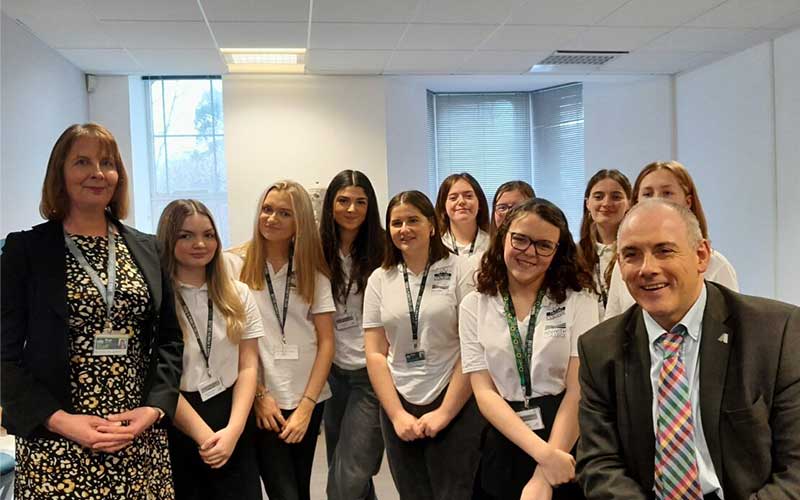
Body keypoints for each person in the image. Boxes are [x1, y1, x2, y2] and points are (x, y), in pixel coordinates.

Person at [1, 123, 183, 499]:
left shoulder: (148, 249)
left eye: (107, 162)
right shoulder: (26, 251)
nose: (97, 173)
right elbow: (3, 357)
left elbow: (169, 342)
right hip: (58, 442)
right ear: (60, 174)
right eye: (82, 161)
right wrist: (60, 421)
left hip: (136, 439)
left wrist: (153, 411)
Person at [576, 199, 800, 499]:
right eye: (631, 255)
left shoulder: (775, 333)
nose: (647, 268)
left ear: (701, 255)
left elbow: (795, 468)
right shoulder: (599, 349)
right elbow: (599, 464)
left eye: (664, 250)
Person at [461, 198, 598, 500]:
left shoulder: (579, 300)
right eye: (520, 239)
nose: (529, 252)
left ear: (558, 252)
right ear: (504, 236)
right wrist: (543, 456)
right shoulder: (474, 304)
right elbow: (484, 392)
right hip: (505, 435)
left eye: (543, 245)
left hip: (565, 437)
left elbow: (578, 390)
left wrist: (545, 474)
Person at [363, 190, 483, 500]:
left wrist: (444, 412)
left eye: (413, 220)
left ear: (432, 225)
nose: (404, 229)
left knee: (454, 493)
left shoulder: (462, 270)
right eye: (396, 222)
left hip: (452, 395)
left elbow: (472, 347)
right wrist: (396, 415)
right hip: (399, 399)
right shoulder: (379, 279)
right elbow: (375, 353)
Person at [227, 180, 335, 500]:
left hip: (307, 397)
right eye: (267, 209)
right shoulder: (233, 266)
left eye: (284, 213)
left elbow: (326, 342)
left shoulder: (312, 273)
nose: (272, 218)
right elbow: (231, 339)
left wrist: (306, 406)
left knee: (299, 487)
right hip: (262, 398)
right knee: (282, 490)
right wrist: (259, 394)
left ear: (299, 222)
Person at [156, 200, 263, 500]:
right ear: (168, 239)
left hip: (233, 415)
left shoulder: (238, 294)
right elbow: (159, 379)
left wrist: (234, 430)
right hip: (179, 420)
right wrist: (204, 437)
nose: (200, 243)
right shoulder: (158, 301)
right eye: (185, 236)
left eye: (209, 234)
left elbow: (248, 366)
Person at [319, 170, 385, 500]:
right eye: (343, 200)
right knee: (341, 464)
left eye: (361, 202)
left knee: (351, 473)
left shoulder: (384, 249)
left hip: (370, 373)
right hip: (332, 373)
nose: (351, 209)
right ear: (330, 204)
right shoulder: (317, 250)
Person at [604, 161, 738, 319]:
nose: (656, 201)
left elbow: (730, 323)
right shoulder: (624, 265)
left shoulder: (717, 265)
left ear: (688, 202)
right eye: (647, 194)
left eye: (666, 193)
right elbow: (612, 324)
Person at [577, 170, 631, 316]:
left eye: (616, 196)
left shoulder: (635, 255)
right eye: (598, 196)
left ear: (629, 203)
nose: (606, 203)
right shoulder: (574, 255)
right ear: (587, 203)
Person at [435, 173, 490, 257]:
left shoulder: (492, 245)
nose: (461, 202)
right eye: (453, 198)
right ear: (443, 207)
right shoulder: (435, 246)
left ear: (480, 203)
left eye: (468, 196)